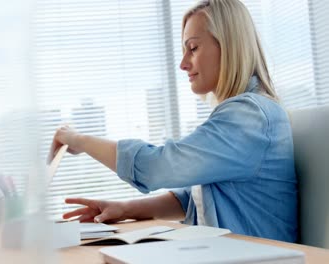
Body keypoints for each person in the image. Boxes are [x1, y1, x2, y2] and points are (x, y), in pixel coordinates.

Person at [48, 0, 297, 243]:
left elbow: (156, 167)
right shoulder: (243, 114)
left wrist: (78, 140)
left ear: (229, 46)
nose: (183, 63)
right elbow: (194, 198)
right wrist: (123, 209)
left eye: (193, 48)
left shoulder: (250, 117)